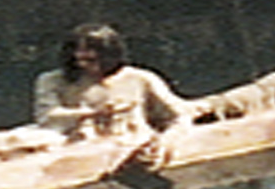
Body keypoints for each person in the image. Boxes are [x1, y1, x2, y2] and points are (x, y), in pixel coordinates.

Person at [31, 23, 191, 146]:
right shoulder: (52, 80)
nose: (85, 62)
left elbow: (177, 115)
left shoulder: (139, 78)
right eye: (79, 56)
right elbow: (46, 117)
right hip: (77, 148)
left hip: (131, 145)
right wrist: (92, 113)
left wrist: (166, 142)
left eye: (93, 57)